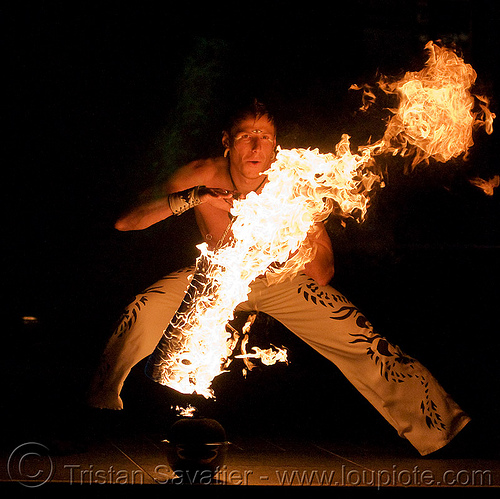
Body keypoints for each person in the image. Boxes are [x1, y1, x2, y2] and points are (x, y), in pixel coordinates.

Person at [87, 99, 470, 456]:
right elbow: (126, 222)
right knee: (142, 310)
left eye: (265, 137)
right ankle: (94, 411)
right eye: (245, 136)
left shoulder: (293, 187)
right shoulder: (202, 174)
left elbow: (322, 274)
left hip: (279, 282)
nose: (255, 146)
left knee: (362, 339)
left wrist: (293, 228)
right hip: (213, 275)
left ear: (275, 145)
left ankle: (442, 430)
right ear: (227, 142)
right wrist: (195, 197)